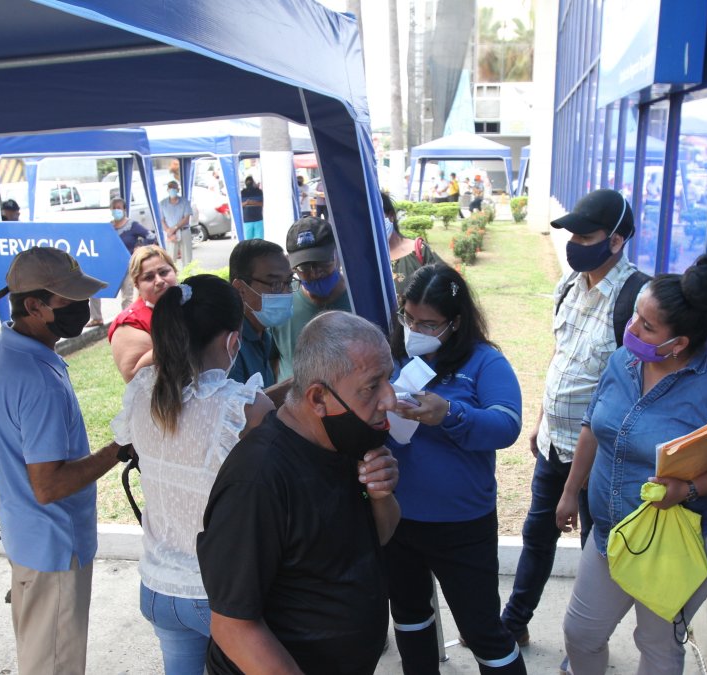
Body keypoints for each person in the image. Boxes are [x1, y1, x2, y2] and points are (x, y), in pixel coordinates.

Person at [558, 255, 707, 675]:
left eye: (647, 327)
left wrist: (686, 490)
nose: (631, 329)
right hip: (613, 536)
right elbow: (592, 427)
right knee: (580, 634)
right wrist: (569, 491)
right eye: (636, 316)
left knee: (657, 646)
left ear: (679, 343)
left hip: (676, 548)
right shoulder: (622, 362)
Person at [197, 310, 401, 674]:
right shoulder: (257, 480)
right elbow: (232, 625)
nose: (389, 400)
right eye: (373, 386)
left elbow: (378, 538)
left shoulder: (343, 444)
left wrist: (381, 495)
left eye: (390, 379)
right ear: (318, 397)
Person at [501, 188, 650, 645]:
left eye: (587, 235)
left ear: (617, 240)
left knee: (596, 552)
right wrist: (544, 418)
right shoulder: (568, 285)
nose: (575, 243)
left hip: (603, 454)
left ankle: (586, 647)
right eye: (572, 234)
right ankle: (514, 623)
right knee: (537, 532)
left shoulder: (636, 299)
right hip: (554, 441)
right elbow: (563, 357)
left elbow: (636, 388)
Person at [0, 246, 127, 675]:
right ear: (34, 306)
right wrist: (115, 451)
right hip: (54, 547)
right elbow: (49, 486)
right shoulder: (37, 378)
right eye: (69, 300)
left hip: (27, 537)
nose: (81, 308)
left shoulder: (0, 351)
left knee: (39, 657)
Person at [112, 274, 273, 674]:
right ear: (232, 340)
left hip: (157, 588)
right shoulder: (243, 406)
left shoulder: (143, 390)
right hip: (219, 595)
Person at [384, 263, 527, 674]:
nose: (415, 329)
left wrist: (450, 412)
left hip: (461, 524)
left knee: (482, 630)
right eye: (408, 318)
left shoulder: (484, 362)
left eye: (428, 324)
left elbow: (506, 424)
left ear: (456, 322)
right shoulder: (392, 354)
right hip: (397, 519)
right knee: (409, 616)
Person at [273, 216, 351, 380]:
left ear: (338, 255)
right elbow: (272, 359)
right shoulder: (282, 301)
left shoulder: (360, 299)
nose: (315, 273)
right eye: (304, 267)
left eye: (322, 262)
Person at [107, 245, 177, 382]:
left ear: (174, 271)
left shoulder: (190, 302)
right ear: (137, 284)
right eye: (149, 277)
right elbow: (135, 377)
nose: (159, 281)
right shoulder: (130, 323)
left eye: (163, 272)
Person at [228, 239, 292, 388]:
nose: (286, 293)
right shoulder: (229, 346)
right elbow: (241, 409)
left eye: (288, 282)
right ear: (241, 289)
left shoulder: (264, 334)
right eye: (275, 284)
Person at [88, 196, 154, 327]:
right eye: (114, 208)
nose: (116, 210)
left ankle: (127, 321)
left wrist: (140, 248)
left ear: (124, 209)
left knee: (127, 296)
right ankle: (96, 318)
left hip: (127, 266)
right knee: (94, 290)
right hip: (110, 265)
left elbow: (150, 236)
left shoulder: (132, 226)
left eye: (119, 208)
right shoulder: (108, 227)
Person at [383, 192, 444, 298]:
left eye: (375, 218)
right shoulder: (363, 262)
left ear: (391, 215)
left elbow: (453, 287)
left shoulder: (420, 251)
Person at [160, 180, 192, 264]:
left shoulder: (185, 202)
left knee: (187, 259)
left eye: (174, 188)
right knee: (170, 259)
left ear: (178, 189)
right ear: (167, 190)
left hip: (184, 231)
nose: (172, 190)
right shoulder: (163, 203)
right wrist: (169, 232)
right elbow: (162, 220)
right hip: (170, 234)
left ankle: (188, 275)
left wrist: (174, 229)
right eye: (170, 188)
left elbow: (186, 219)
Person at [240, 176, 264, 240]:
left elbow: (262, 204)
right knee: (249, 241)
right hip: (248, 220)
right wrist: (247, 203)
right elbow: (239, 206)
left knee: (258, 241)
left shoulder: (258, 191)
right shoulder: (242, 193)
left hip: (257, 219)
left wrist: (251, 202)